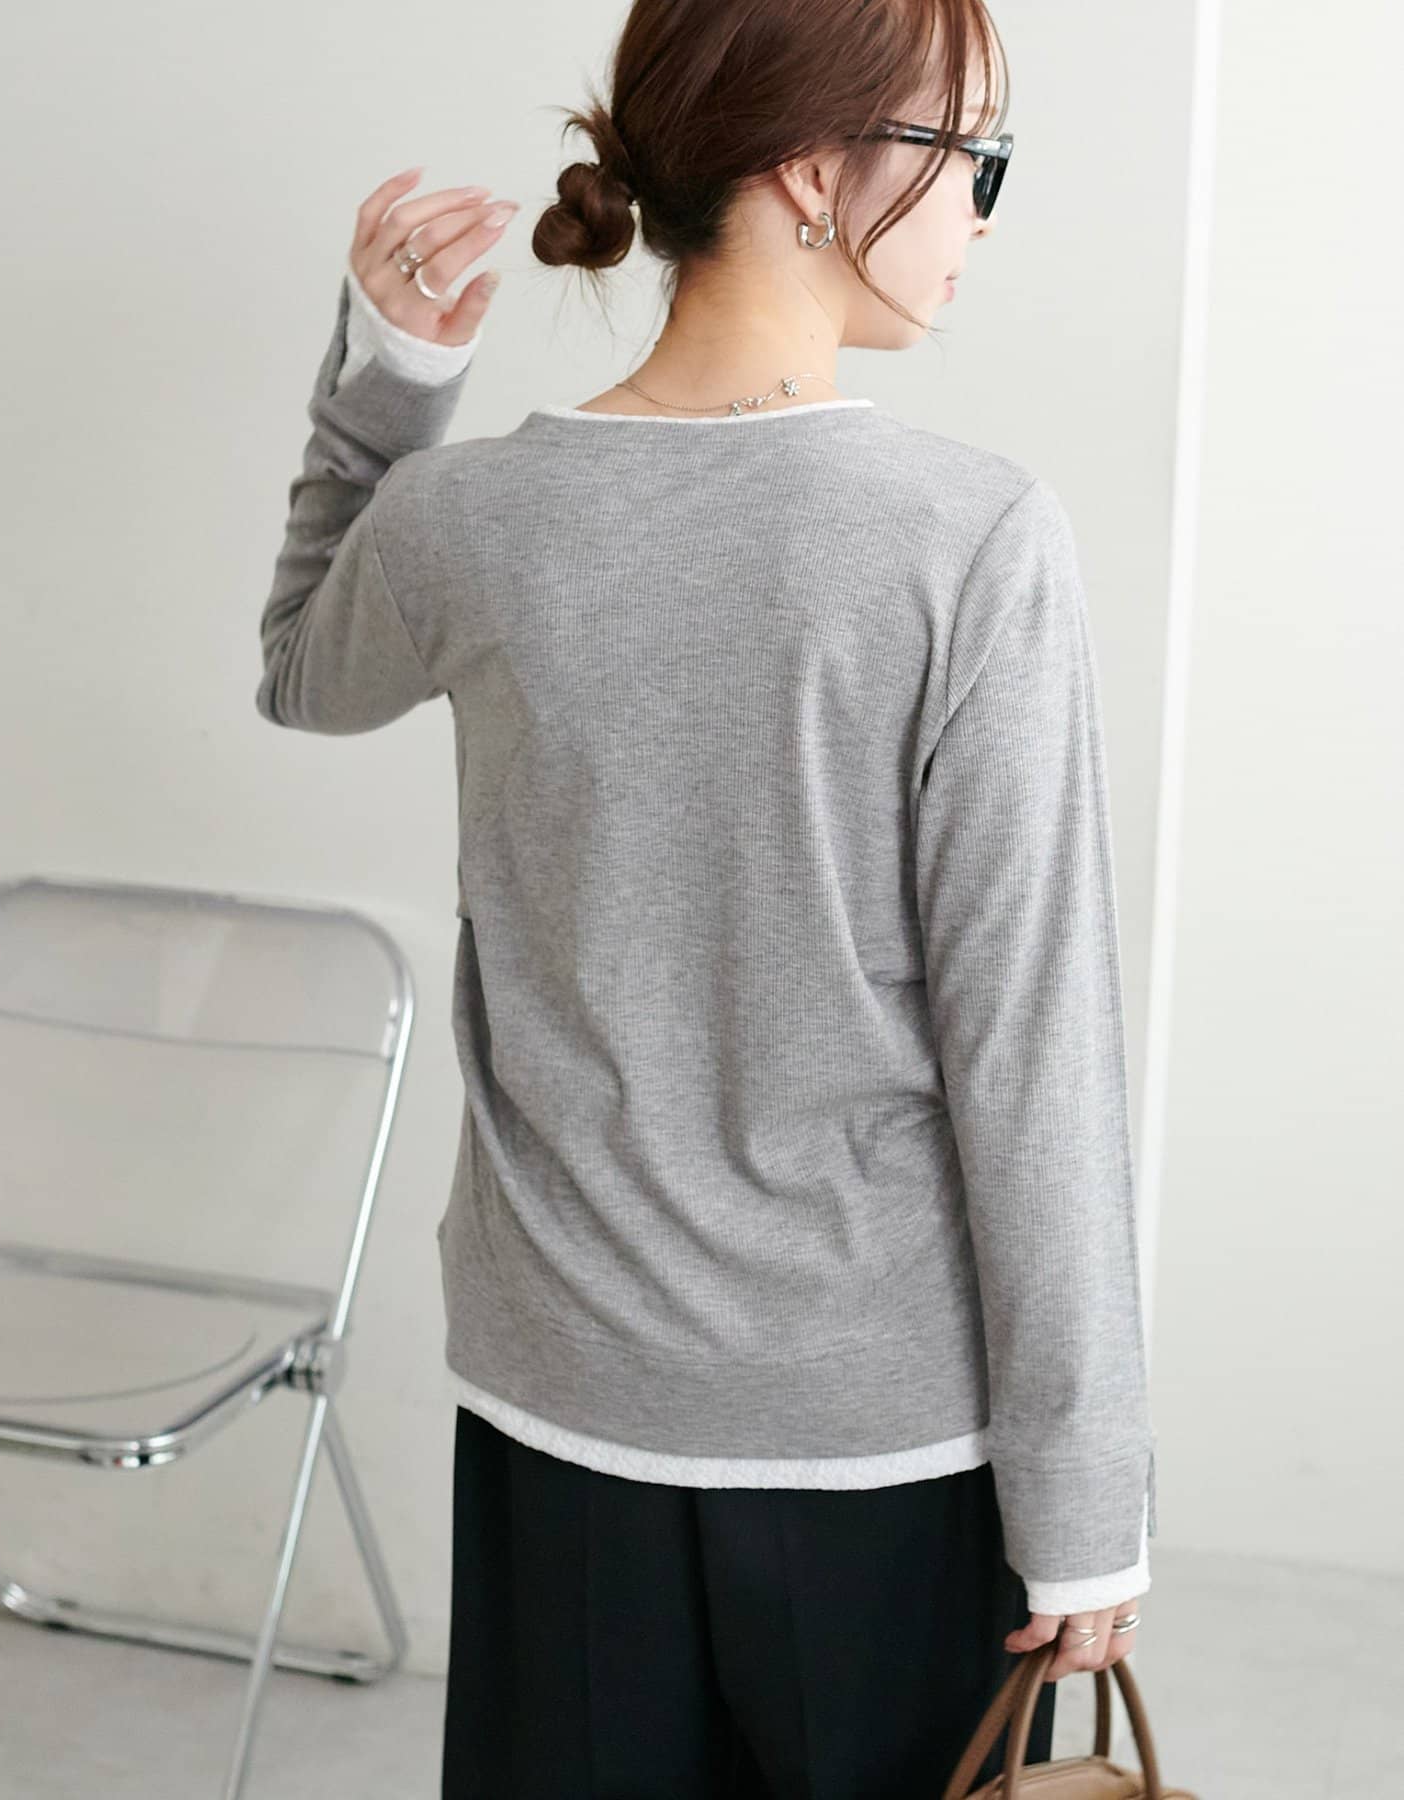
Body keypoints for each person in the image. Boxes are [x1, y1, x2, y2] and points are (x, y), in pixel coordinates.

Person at [255, 1, 1158, 1791]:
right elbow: (1032, 1053)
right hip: (881, 1453)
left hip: (556, 1411)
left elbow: (300, 669)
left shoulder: (468, 517)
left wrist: (391, 381)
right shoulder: (969, 537)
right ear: (816, 173)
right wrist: (1085, 1502)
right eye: (970, 162)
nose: (980, 217)